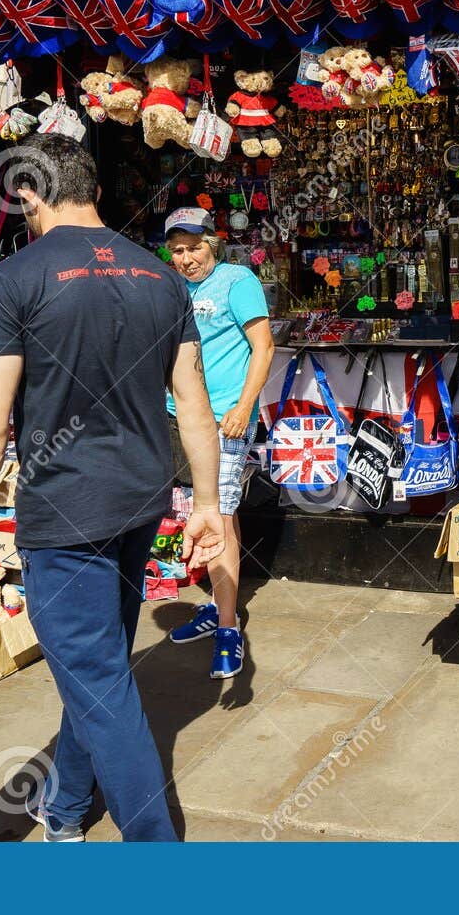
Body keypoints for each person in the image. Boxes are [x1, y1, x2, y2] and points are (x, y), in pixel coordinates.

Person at [0, 134, 225, 843]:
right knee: (94, 666)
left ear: (32, 194)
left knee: (98, 680)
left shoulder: (12, 280)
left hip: (66, 512)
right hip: (139, 499)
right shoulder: (161, 277)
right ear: (92, 187)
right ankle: (66, 807)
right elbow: (193, 403)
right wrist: (209, 501)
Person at [161, 209, 273, 680]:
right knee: (199, 513)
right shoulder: (171, 288)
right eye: (178, 250)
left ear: (214, 243)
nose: (187, 258)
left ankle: (229, 628)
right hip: (179, 417)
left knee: (220, 512)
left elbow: (263, 346)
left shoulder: (236, 280)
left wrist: (245, 407)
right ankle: (215, 604)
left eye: (195, 247)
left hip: (226, 418)